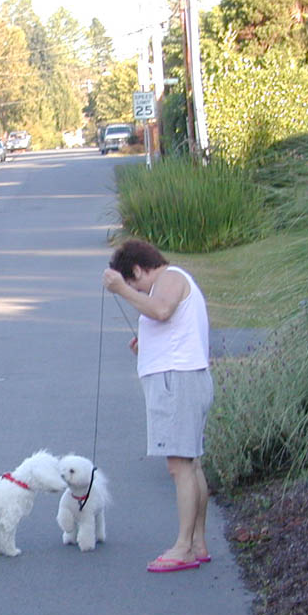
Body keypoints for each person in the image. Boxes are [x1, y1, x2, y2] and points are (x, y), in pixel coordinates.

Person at [102, 239, 214, 573]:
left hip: (176, 382)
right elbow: (167, 319)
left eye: (133, 280)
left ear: (136, 270)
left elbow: (162, 310)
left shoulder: (169, 276)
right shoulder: (170, 282)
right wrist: (147, 344)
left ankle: (183, 547)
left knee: (180, 466)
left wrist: (121, 289)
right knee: (190, 464)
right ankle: (196, 543)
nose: (135, 289)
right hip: (181, 378)